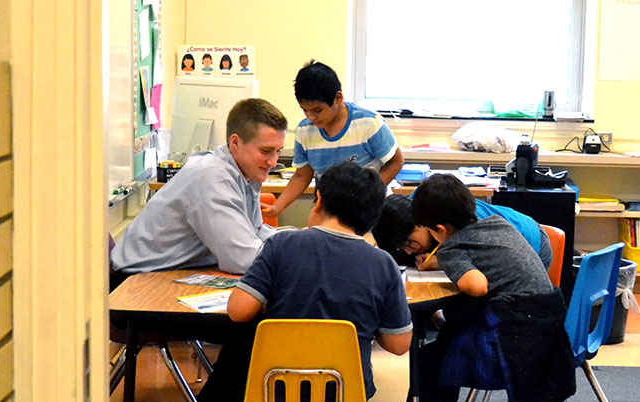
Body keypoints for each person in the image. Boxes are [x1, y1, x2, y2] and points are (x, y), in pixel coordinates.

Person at [170, 162, 413, 402]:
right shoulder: (383, 264)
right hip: (343, 395)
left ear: (318, 202)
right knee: (323, 398)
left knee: (285, 394)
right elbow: (399, 344)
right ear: (373, 218)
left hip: (273, 389)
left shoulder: (282, 245)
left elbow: (239, 311)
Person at [377, 174, 574, 402]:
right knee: (447, 337)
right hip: (545, 337)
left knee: (426, 363)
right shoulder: (497, 224)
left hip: (513, 351)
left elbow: (478, 286)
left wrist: (452, 272)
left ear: (439, 230)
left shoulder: (451, 249)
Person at [110, 98, 287, 285]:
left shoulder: (243, 173)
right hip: (138, 282)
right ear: (235, 143)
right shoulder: (214, 178)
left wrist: (297, 243)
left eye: (278, 152)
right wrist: (296, 259)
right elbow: (242, 259)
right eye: (266, 151)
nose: (273, 162)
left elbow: (255, 231)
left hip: (166, 274)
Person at [264, 60, 403, 220]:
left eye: (318, 110)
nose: (312, 117)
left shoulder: (368, 123)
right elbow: (302, 175)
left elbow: (396, 162)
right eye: (305, 111)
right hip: (331, 211)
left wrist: (369, 194)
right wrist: (277, 207)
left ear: (338, 98)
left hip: (369, 210)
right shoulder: (304, 131)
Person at [373, 194, 553, 271]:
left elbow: (485, 263)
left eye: (409, 242)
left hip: (533, 244)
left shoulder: (463, 223)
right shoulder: (413, 208)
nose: (409, 251)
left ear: (420, 223)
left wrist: (443, 262)